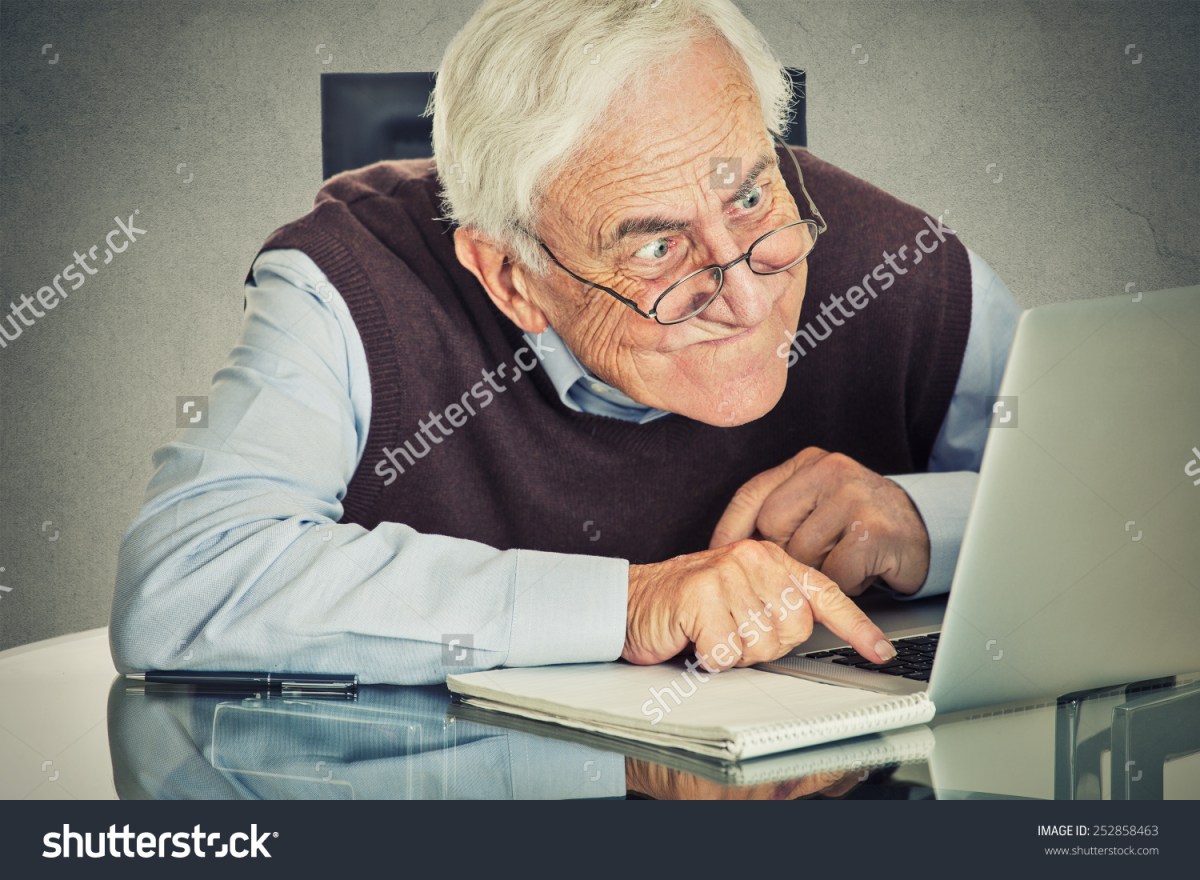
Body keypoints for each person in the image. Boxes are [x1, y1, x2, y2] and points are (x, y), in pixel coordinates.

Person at [110, 0, 1019, 685]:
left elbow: (1142, 509)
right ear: (511, 277)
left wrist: (928, 521)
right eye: (658, 247)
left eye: (748, 195)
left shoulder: (901, 263)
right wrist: (625, 603)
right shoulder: (352, 282)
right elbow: (187, 585)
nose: (745, 294)